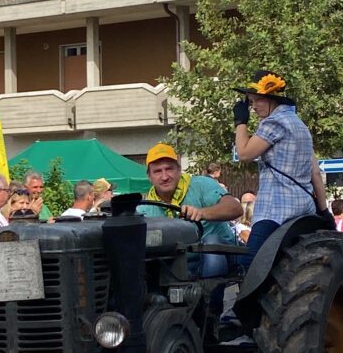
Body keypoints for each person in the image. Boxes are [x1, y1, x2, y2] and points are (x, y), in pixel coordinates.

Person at [232, 72, 326, 256]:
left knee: (249, 264)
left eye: (257, 100)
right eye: (250, 102)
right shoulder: (300, 125)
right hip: (305, 210)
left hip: (275, 210)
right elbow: (315, 172)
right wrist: (323, 212)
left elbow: (243, 154)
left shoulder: (273, 122)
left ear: (271, 98)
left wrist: (241, 122)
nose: (253, 107)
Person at [139, 144, 242, 292]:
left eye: (169, 169)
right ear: (149, 176)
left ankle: (211, 302)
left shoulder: (201, 184)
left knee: (211, 242)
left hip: (219, 258)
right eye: (157, 171)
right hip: (177, 265)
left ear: (179, 169)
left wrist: (202, 213)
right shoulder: (145, 209)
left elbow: (235, 208)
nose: (165, 176)